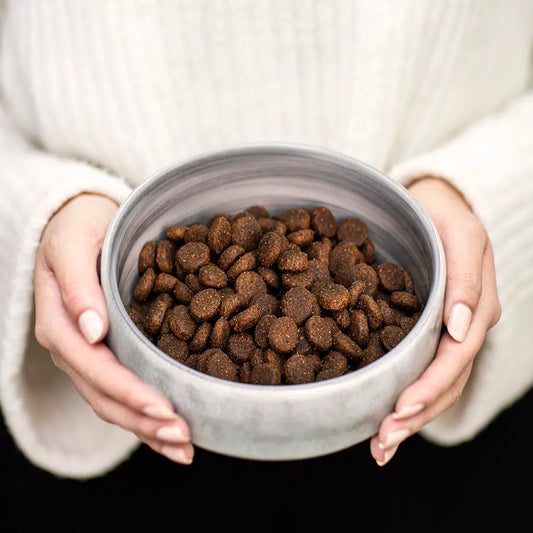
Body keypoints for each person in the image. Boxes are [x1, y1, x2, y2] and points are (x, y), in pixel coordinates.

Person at [0, 0, 531, 479]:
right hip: (106, 433)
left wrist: (476, 190)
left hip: (443, 444)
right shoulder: (214, 292)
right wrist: (46, 204)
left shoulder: (331, 294)